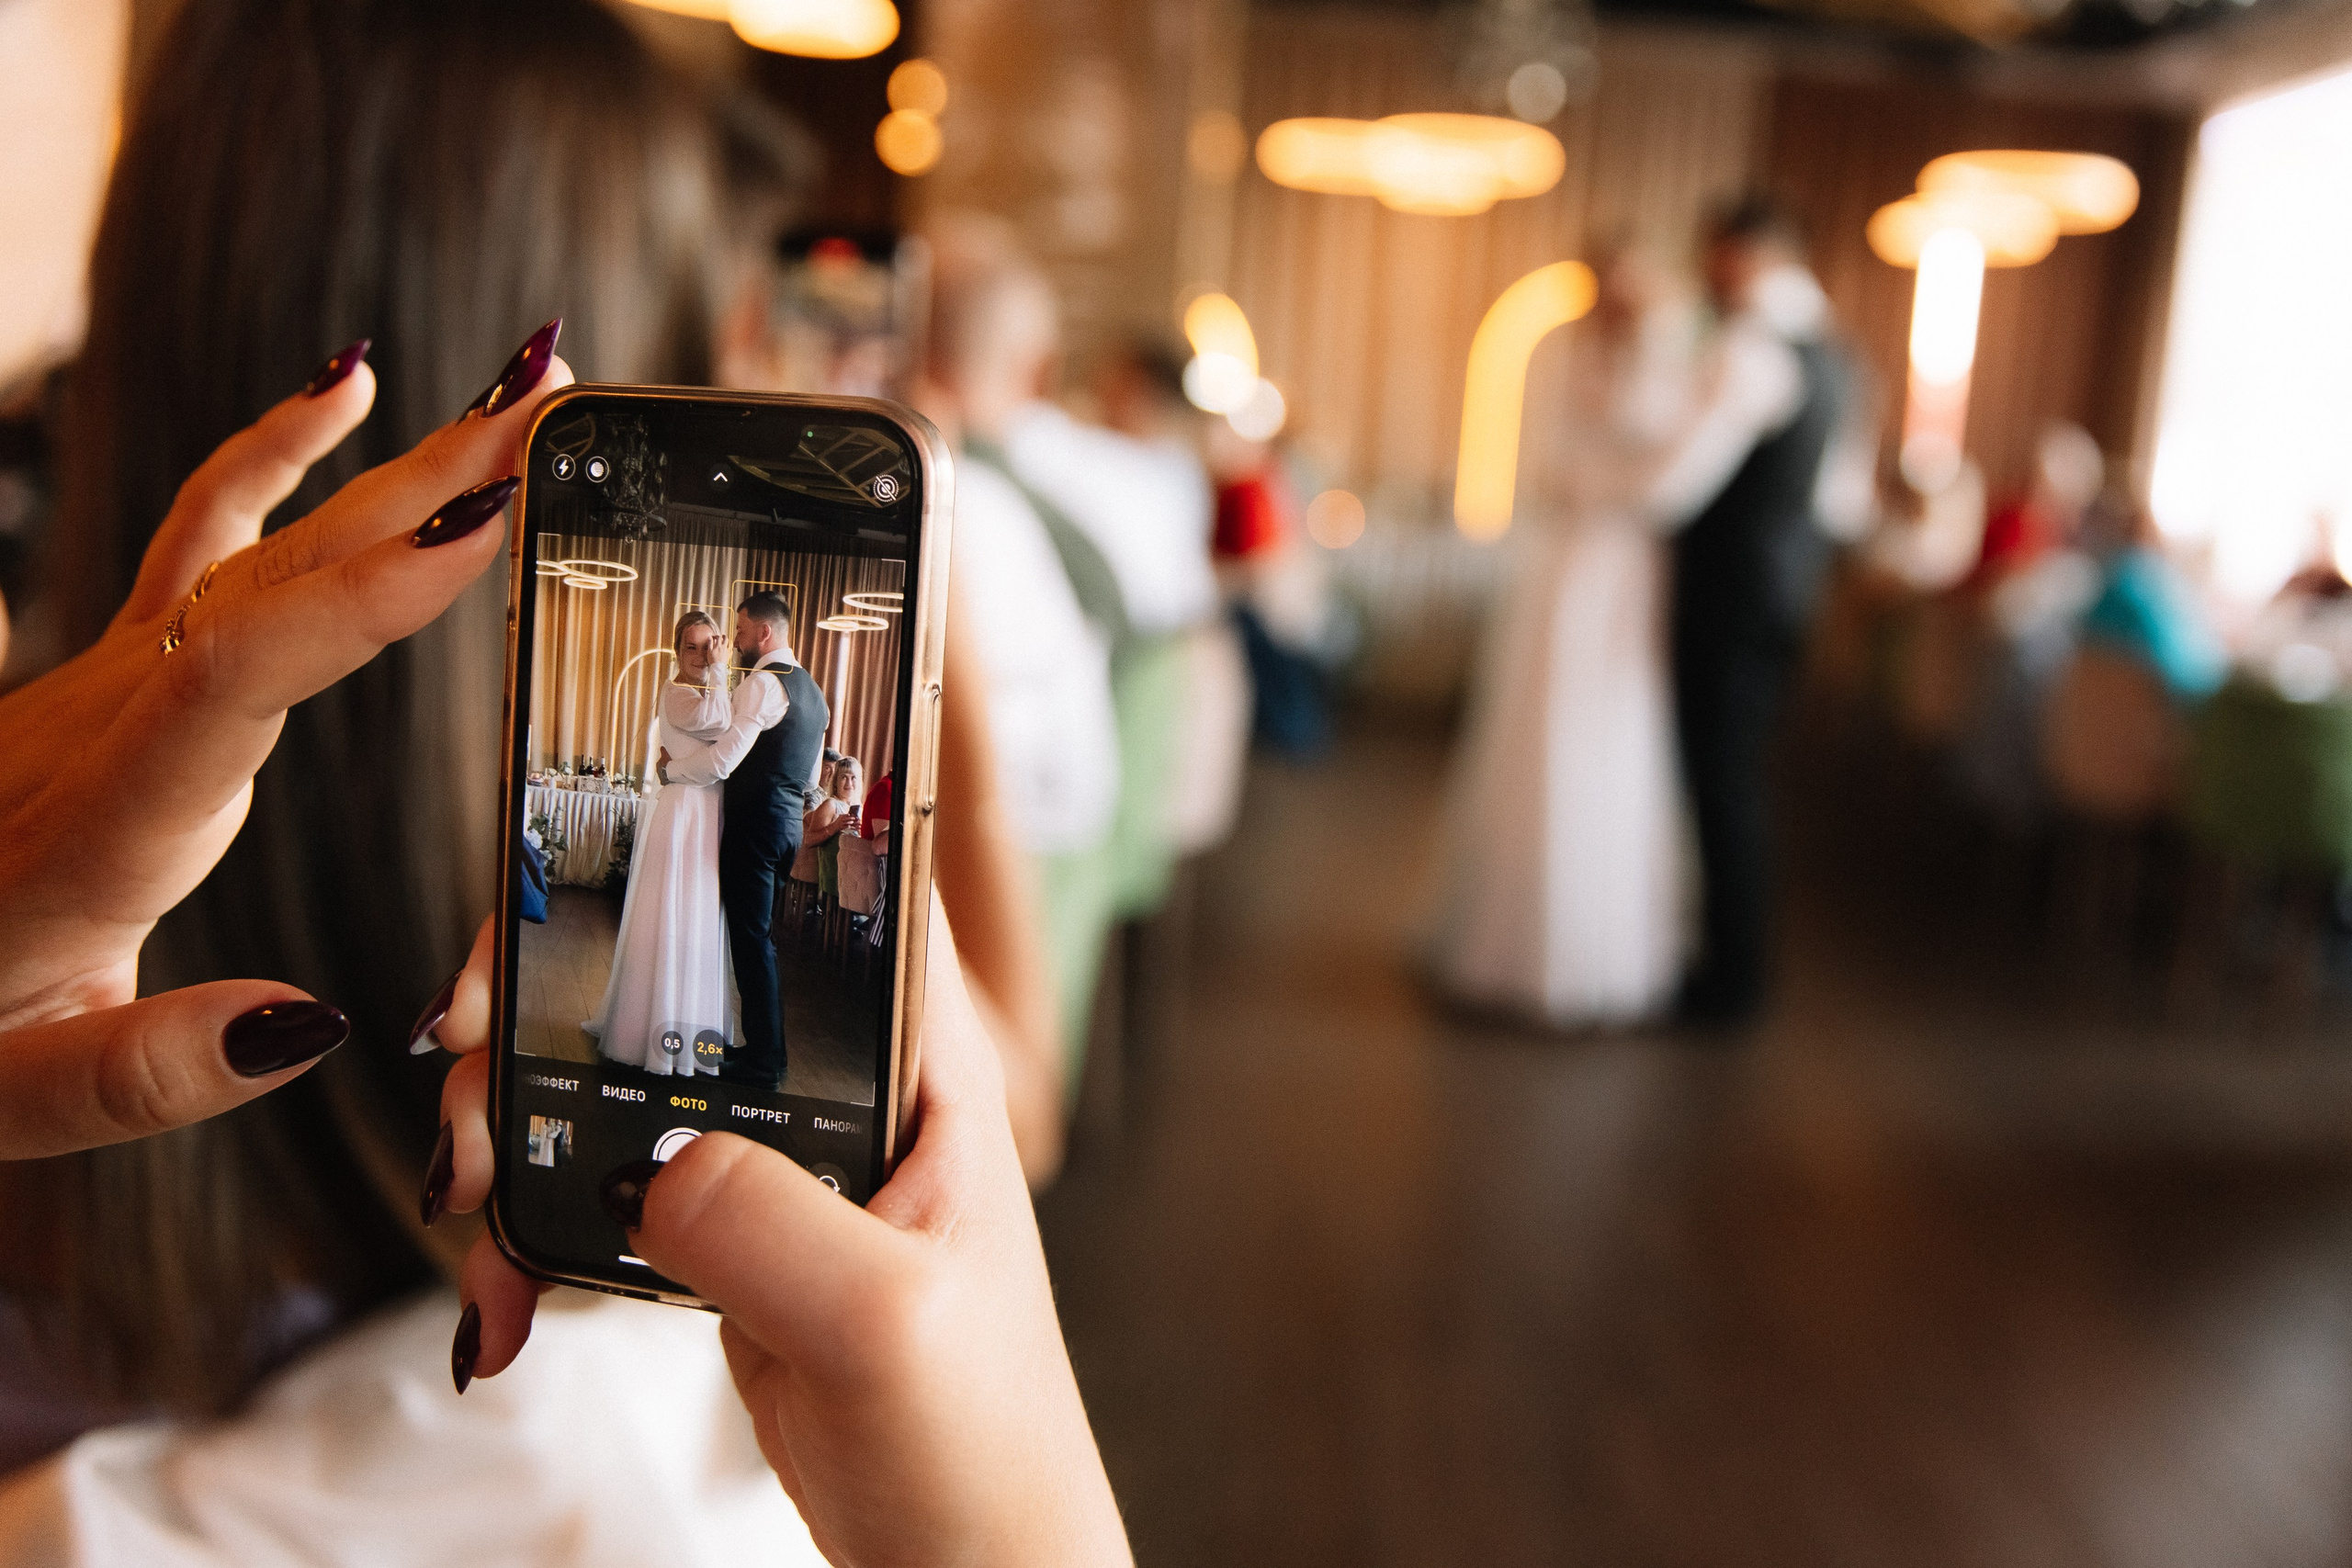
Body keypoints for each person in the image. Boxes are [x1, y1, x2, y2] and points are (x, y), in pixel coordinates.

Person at [1428, 250, 1699, 1026]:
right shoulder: (1580, 355)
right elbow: (1555, 452)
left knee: (1607, 738)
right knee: (1541, 732)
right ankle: (1514, 936)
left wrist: (1597, 488)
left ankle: (1601, 947)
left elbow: (1666, 473)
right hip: (1567, 558)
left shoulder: (1677, 358)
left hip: (1620, 565)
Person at [1651, 197, 1857, 1027]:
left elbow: (1676, 485)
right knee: (1732, 782)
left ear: (1746, 253)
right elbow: (1839, 500)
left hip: (1730, 596)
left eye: (1715, 256)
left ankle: (1731, 980)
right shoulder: (1838, 354)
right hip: (1782, 591)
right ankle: (1729, 966)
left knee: (1721, 786)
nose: (1708, 274)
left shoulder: (1755, 348)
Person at [585, 610, 771, 1075]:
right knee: (673, 915)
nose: (704, 655)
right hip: (684, 814)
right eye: (693, 646)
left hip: (710, 814)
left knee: (700, 918)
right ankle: (643, 1031)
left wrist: (720, 680)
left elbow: (729, 728)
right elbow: (722, 725)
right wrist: (721, 668)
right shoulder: (677, 694)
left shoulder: (715, 690)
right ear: (677, 652)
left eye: (711, 644)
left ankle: (692, 1030)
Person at [663, 593, 830, 1092]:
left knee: (752, 943)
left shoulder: (763, 683)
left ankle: (764, 1061)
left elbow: (721, 762)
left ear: (764, 634)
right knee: (760, 940)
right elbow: (815, 776)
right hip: (786, 829)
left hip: (755, 828)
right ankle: (763, 1049)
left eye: (738, 631)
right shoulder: (814, 693)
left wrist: (670, 772)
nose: (732, 641)